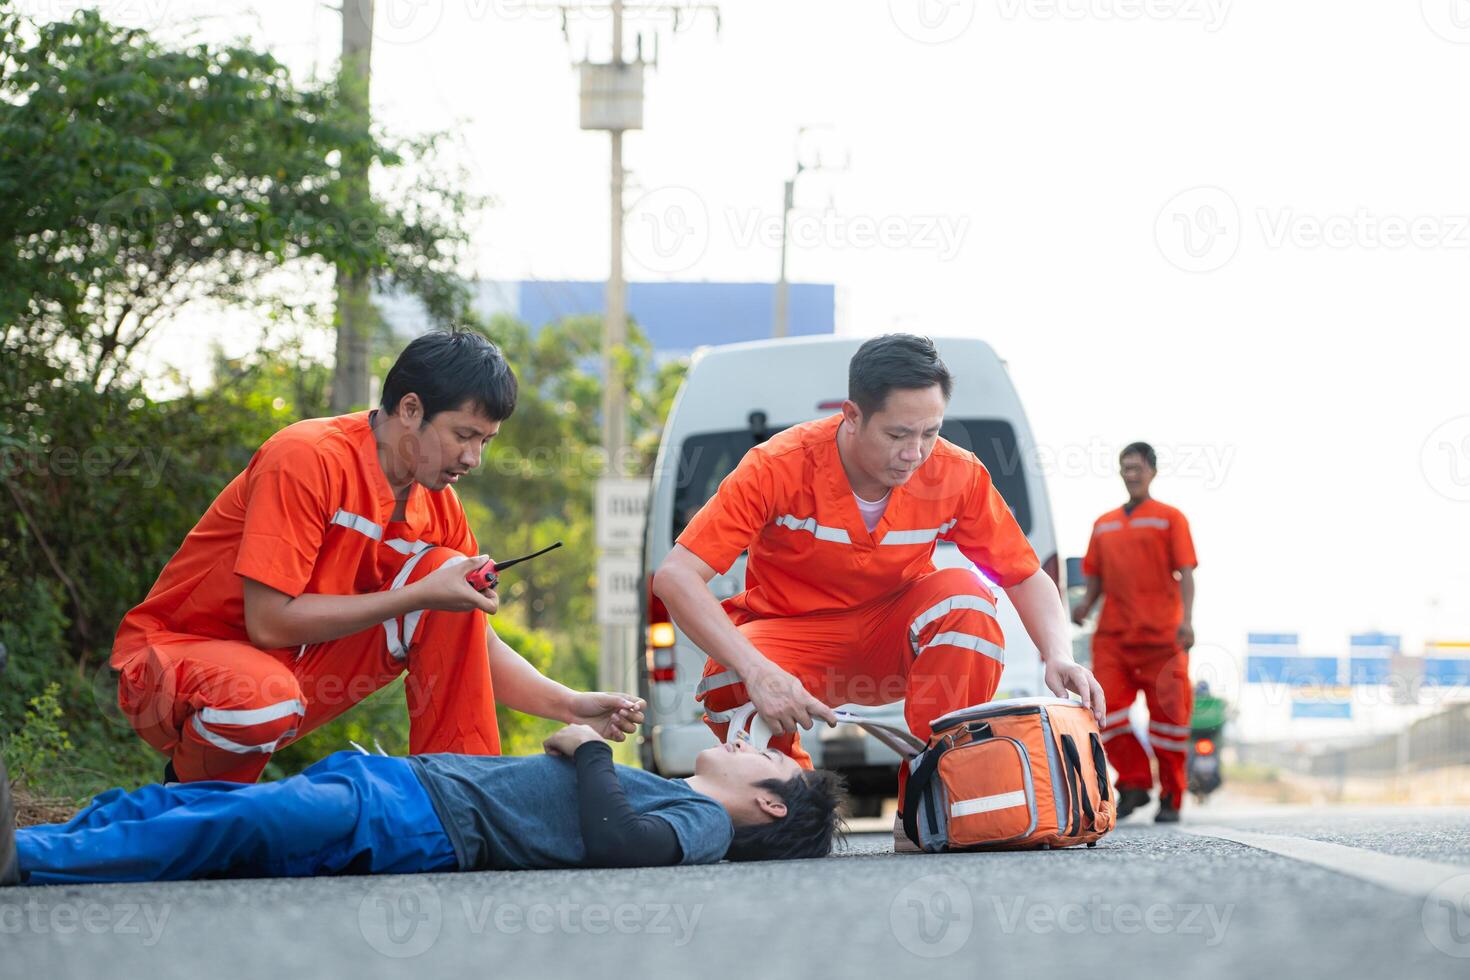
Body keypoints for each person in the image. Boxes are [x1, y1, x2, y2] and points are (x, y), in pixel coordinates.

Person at [110, 331, 643, 784]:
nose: (473, 458)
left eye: (486, 441)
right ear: (410, 409)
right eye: (463, 435)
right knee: (265, 695)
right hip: (178, 667)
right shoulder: (306, 458)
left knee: (445, 583)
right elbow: (269, 622)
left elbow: (468, 640)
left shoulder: (440, 507)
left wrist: (569, 703)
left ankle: (461, 793)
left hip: (289, 679)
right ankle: (187, 805)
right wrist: (417, 594)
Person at [652, 334, 1104, 843]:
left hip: (894, 637)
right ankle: (801, 806)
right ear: (851, 414)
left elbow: (1023, 574)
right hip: (796, 642)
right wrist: (759, 672)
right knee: (723, 678)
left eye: (930, 432)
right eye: (897, 434)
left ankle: (933, 800)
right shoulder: (776, 466)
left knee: (967, 597)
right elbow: (675, 576)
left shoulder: (956, 473)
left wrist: (1057, 653)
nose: (914, 453)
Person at [0, 726, 846, 886]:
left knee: (235, 823)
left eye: (765, 757)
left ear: (768, 807)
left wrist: (590, 749)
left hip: (419, 817)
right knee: (203, 805)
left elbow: (620, 847)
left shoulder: (700, 823)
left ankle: (30, 861)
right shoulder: (682, 795)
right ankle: (43, 838)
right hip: (408, 790)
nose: (746, 743)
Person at [1071, 442, 1198, 823]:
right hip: (1114, 637)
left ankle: (1172, 796)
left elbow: (1187, 572)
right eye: (1125, 468)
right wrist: (1085, 606)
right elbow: (1096, 579)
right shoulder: (1104, 524)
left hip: (1163, 639)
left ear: (1152, 472)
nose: (1131, 474)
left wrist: (1187, 620)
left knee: (1170, 723)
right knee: (1104, 711)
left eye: (1137, 468)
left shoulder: (1170, 518)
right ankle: (1134, 784)